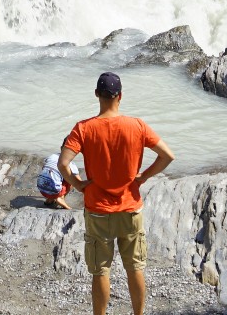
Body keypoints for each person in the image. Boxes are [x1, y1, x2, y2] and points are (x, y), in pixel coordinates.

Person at [58, 71, 175, 315]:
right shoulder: (137, 126)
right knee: (135, 268)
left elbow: (63, 163)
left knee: (101, 270)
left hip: (98, 210)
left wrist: (78, 184)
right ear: (120, 96)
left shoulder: (84, 128)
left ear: (96, 95)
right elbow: (167, 156)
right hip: (130, 208)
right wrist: (144, 176)